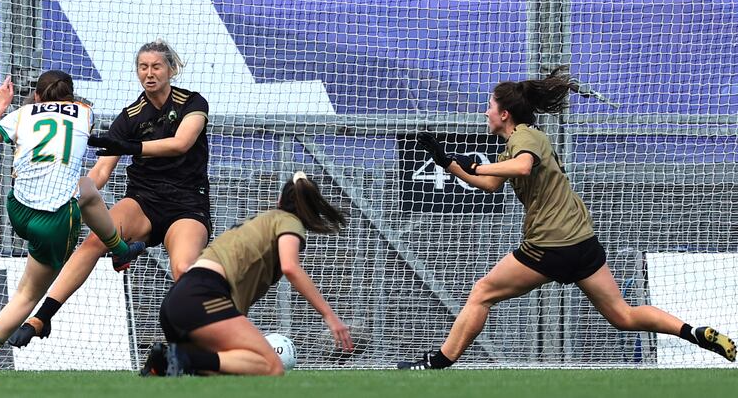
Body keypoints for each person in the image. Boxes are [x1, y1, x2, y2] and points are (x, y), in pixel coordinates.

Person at [397, 74, 736, 369]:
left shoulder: (525, 138)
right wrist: (448, 163)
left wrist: (475, 165)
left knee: (482, 292)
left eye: (489, 105)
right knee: (623, 315)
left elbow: (522, 167)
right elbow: (489, 183)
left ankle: (438, 362)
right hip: (582, 241)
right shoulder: (516, 143)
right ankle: (695, 332)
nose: (485, 112)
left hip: (550, 245)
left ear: (504, 114)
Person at [8, 39, 213, 348]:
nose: (149, 73)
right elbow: (101, 171)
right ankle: (42, 317)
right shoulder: (131, 115)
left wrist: (132, 147)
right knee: (94, 239)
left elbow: (181, 143)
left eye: (156, 66)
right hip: (143, 201)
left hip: (187, 204)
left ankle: (194, 344)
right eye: (143, 67)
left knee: (183, 268)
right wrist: (68, 197)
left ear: (171, 69)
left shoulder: (193, 103)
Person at [0, 71, 145, 372]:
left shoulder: (21, 115)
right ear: (71, 95)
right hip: (54, 219)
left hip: (19, 210)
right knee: (27, 294)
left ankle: (120, 249)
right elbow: (74, 127)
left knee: (86, 189)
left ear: (36, 96)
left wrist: (1, 105)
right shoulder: (85, 113)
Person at [140, 172, 354, 376]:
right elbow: (291, 267)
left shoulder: (259, 223)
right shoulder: (289, 221)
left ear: (279, 200)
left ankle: (168, 364)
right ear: (311, 208)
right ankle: (177, 359)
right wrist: (330, 316)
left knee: (230, 370)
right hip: (203, 297)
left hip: (178, 301)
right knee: (271, 366)